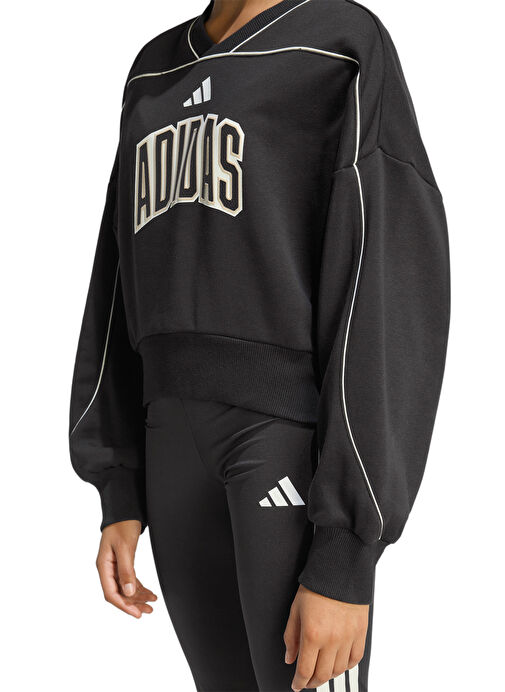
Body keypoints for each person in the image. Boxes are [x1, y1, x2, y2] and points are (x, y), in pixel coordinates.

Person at [68, 0, 450, 689]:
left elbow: (386, 278)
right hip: (168, 447)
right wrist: (118, 484)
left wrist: (345, 552)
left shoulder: (339, 43)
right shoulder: (153, 69)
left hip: (281, 445)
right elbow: (117, 272)